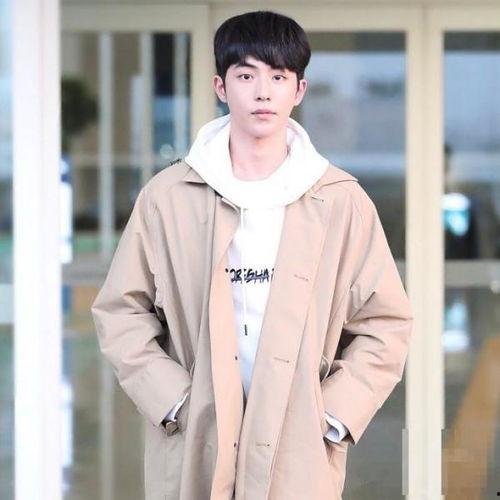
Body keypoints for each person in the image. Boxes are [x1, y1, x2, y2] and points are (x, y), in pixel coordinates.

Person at [91, 10, 413, 500]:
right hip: (196, 434)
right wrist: (174, 400)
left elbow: (385, 322)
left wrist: (331, 414)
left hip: (299, 440)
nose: (263, 92)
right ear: (221, 87)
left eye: (278, 77)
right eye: (246, 76)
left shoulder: (339, 200)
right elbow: (121, 311)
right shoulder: (168, 196)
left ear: (299, 90)